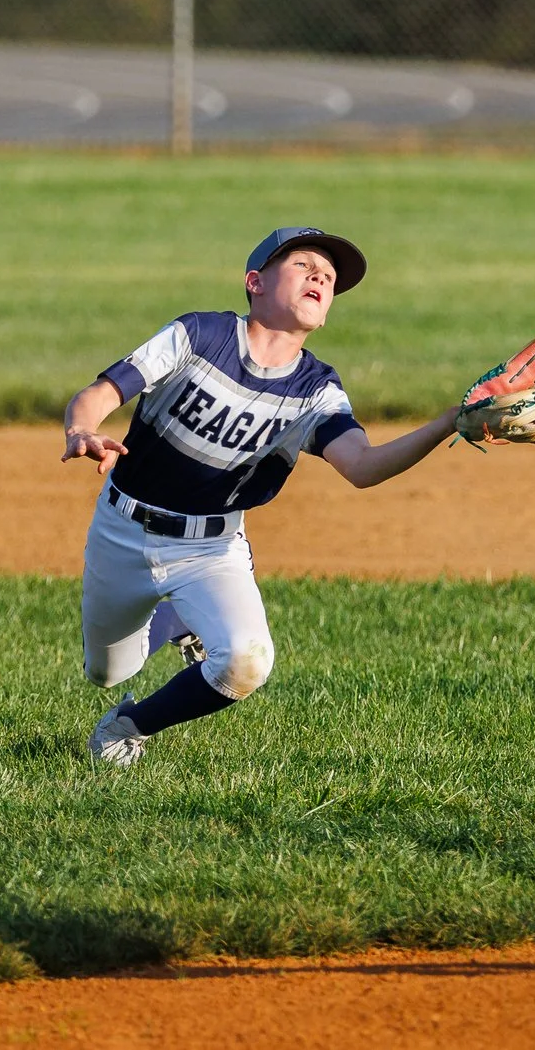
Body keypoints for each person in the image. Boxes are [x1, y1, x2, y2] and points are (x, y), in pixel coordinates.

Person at [60, 225, 463, 767]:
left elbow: (363, 467)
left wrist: (450, 422)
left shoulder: (315, 390)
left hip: (211, 550)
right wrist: (82, 430)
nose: (321, 276)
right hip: (122, 529)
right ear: (255, 282)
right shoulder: (199, 336)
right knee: (105, 672)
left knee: (246, 662)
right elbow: (100, 393)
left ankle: (127, 728)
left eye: (330, 277)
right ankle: (173, 622)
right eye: (304, 266)